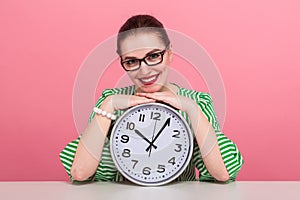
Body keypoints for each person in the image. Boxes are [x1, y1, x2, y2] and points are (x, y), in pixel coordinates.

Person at [59, 14, 244, 184]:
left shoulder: (197, 102)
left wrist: (191, 108)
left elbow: (222, 174)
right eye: (131, 61)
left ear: (169, 52)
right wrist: (110, 105)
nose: (145, 70)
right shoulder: (110, 101)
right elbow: (80, 172)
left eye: (154, 56)